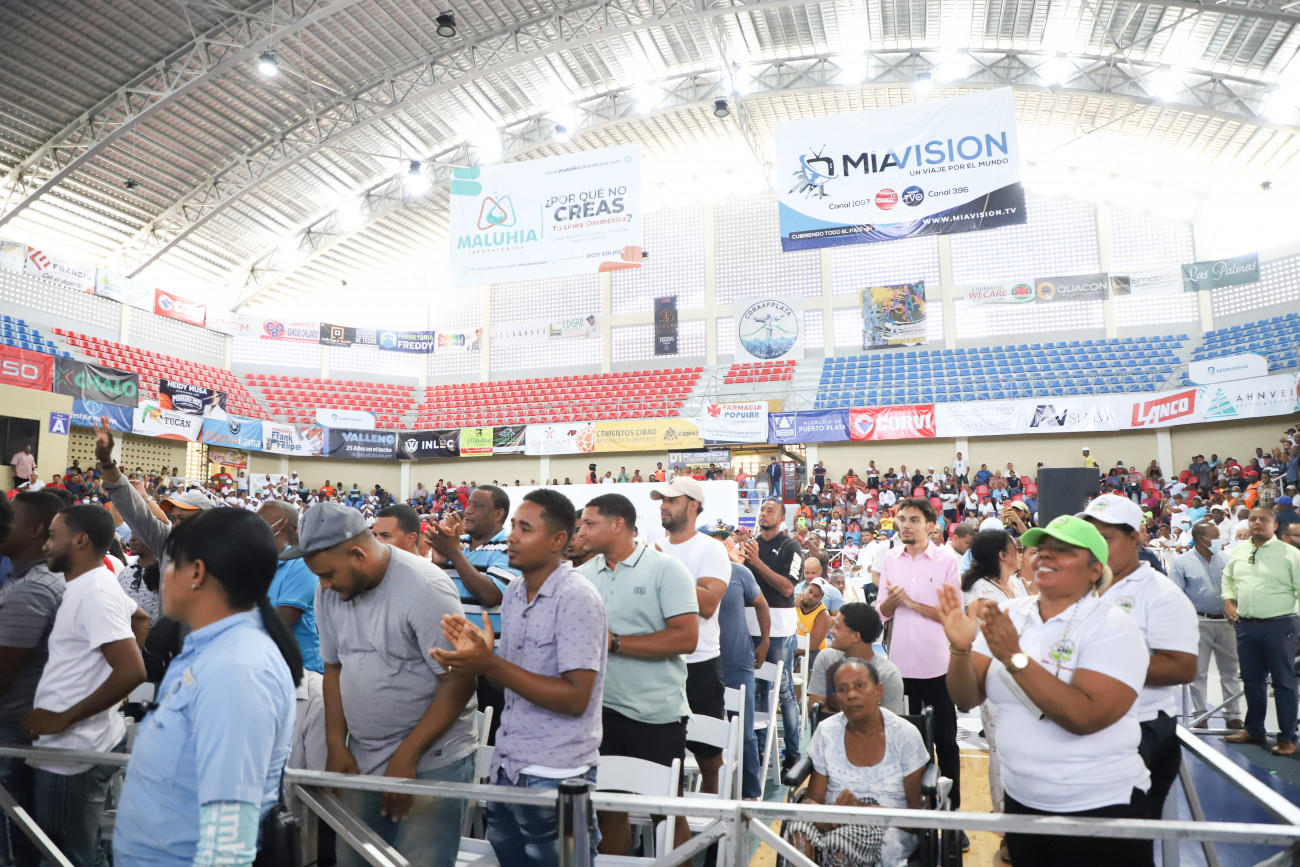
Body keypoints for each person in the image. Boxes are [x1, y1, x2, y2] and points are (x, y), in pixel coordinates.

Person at [941, 515, 1153, 867]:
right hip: (1024, 802)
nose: (1045, 556)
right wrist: (961, 650)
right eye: (1041, 549)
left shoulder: (1114, 627)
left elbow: (1083, 716)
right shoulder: (1009, 612)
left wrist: (1014, 657)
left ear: (1095, 570)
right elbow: (966, 697)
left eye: (1063, 550)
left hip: (1099, 805)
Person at [113, 509, 302, 866]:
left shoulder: (236, 670)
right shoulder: (209, 650)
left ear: (197, 573)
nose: (162, 575)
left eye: (171, 564)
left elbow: (227, 841)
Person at [431, 489, 606, 867]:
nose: (511, 537)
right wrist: (477, 661)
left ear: (558, 540)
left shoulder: (576, 597)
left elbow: (576, 698)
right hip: (509, 765)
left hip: (556, 773)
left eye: (525, 529)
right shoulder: (514, 594)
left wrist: (490, 664)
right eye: (513, 527)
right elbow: (504, 684)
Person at [300, 502, 478, 867]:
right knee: (354, 858)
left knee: (420, 861)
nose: (324, 585)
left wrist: (407, 756)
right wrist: (336, 744)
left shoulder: (425, 587)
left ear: (357, 554)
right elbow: (333, 667)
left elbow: (458, 682)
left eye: (329, 574)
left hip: (430, 758)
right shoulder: (329, 592)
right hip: (364, 754)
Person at [574, 493, 698, 856]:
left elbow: (686, 638)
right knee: (609, 810)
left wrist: (614, 642)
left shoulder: (665, 569)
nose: (581, 531)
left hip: (655, 715)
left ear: (618, 525)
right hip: (600, 714)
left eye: (589, 523)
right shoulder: (582, 576)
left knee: (666, 813)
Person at [26, 505, 147, 867]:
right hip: (75, 745)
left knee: (68, 856)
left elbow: (132, 670)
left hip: (73, 751)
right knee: (80, 851)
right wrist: (108, 686)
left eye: (52, 536)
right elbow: (140, 619)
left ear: (79, 540)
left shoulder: (94, 591)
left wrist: (64, 717)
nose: (45, 545)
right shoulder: (91, 583)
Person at [1082, 494, 1197, 818]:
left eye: (1106, 538)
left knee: (1127, 829)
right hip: (1091, 725)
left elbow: (1182, 667)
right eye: (1091, 538)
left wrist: (1096, 666)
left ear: (1135, 538)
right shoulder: (1084, 587)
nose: (1097, 547)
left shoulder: (1161, 594)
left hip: (1142, 727)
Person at [782, 658, 929, 867]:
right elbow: (813, 798)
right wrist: (821, 814)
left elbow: (916, 818)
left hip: (888, 825)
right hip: (833, 818)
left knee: (839, 846)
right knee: (799, 836)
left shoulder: (905, 735)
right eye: (842, 690)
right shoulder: (827, 732)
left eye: (859, 686)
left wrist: (862, 810)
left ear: (878, 691)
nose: (851, 695)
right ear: (836, 698)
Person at [876, 497, 963, 813]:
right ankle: (913, 812)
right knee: (907, 745)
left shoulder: (946, 561)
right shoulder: (891, 559)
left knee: (946, 743)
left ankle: (951, 812)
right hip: (900, 670)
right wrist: (893, 602)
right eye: (902, 519)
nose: (906, 525)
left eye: (913, 520)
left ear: (930, 526)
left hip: (938, 668)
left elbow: (951, 613)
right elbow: (882, 612)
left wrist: (910, 603)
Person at [652, 478, 730, 797]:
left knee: (708, 756)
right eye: (662, 500)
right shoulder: (655, 549)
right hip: (659, 663)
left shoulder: (710, 549)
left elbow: (708, 605)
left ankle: (715, 817)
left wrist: (665, 567)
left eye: (672, 500)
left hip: (699, 664)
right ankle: (670, 818)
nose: (663, 505)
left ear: (693, 505)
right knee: (661, 755)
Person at [425, 485, 519, 742]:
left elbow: (490, 595)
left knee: (487, 741)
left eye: (478, 506)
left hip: (488, 670)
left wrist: (454, 554)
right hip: (450, 664)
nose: (468, 511)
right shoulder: (456, 543)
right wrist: (438, 562)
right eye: (469, 505)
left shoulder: (510, 548)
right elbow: (432, 593)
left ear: (499, 514)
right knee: (450, 740)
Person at [0, 492, 65, 864]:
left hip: (11, 726)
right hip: (19, 723)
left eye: (10, 517)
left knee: (11, 848)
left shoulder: (31, 589)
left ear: (35, 530)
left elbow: (2, 675)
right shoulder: (25, 579)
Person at [1222, 507, 1300, 755]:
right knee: (1252, 681)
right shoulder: (1239, 551)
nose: (1257, 523)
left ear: (1274, 526)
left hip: (1280, 625)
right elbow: (1228, 579)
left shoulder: (1290, 554)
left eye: (1263, 519)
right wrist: (1229, 602)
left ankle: (1287, 738)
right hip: (1246, 626)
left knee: (1284, 682)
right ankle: (1254, 730)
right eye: (1253, 519)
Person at [741, 498, 803, 771]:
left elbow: (788, 588)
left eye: (770, 510)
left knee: (783, 692)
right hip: (749, 627)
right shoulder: (750, 545)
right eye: (762, 509)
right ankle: (761, 752)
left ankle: (793, 754)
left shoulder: (791, 546)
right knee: (754, 692)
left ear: (781, 519)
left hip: (778, 630)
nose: (764, 513)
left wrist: (756, 562)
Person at [1168, 522, 1242, 729]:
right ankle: (1200, 715)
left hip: (1226, 622)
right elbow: (1176, 594)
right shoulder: (1182, 562)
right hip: (1199, 622)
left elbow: (1237, 587)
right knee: (1198, 671)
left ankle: (1233, 715)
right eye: (1215, 536)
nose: (1220, 540)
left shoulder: (1226, 560)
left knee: (1230, 670)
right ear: (1201, 539)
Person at [719, 532, 770, 800]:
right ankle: (715, 791)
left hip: (738, 661)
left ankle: (750, 793)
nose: (720, 545)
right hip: (704, 663)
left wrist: (764, 642)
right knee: (705, 730)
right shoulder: (689, 572)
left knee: (744, 730)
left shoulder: (739, 573)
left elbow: (762, 605)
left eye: (723, 540)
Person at [258, 500, 324, 675]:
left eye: (260, 519)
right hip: (267, 667)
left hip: (301, 671)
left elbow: (282, 622)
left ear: (281, 524)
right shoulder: (262, 563)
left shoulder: (301, 564)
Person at [807, 603, 904, 719]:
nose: (831, 631)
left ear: (856, 636)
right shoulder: (826, 659)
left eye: (837, 627)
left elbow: (891, 722)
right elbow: (815, 712)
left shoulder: (887, 674)